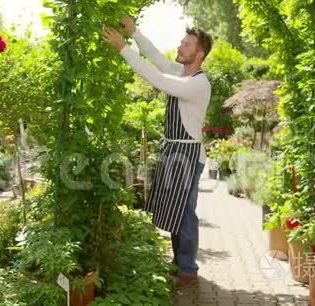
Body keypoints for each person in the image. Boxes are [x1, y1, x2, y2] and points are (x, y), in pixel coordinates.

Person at [103, 16, 212, 288]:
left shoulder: (198, 83)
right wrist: (134, 32)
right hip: (174, 149)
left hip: (187, 155)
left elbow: (155, 78)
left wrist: (123, 49)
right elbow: (155, 58)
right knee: (175, 210)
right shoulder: (180, 72)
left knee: (185, 212)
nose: (180, 46)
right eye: (182, 42)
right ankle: (179, 263)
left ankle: (188, 269)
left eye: (187, 44)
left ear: (199, 54)